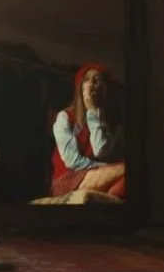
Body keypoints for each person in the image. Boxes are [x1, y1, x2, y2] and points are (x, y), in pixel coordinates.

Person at [48, 63, 126, 200]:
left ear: (106, 89)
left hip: (100, 174)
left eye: (99, 79)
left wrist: (95, 113)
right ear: (80, 88)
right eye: (87, 79)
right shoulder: (65, 117)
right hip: (68, 177)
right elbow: (72, 161)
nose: (93, 83)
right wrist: (107, 168)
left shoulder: (115, 125)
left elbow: (100, 150)